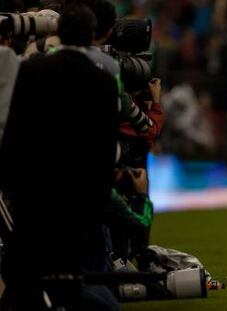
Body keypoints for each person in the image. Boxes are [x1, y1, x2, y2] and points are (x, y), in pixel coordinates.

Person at [0, 4, 119, 309]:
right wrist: (101, 194)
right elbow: (105, 144)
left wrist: (12, 183)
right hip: (80, 193)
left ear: (58, 33)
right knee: (70, 276)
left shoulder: (32, 68)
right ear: (92, 35)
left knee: (28, 270)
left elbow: (16, 130)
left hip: (35, 189)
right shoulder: (103, 79)